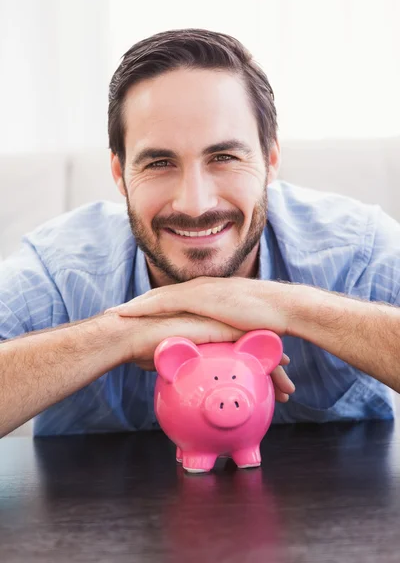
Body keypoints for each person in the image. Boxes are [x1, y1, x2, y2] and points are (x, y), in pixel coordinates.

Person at [1, 28, 399, 438]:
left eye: (224, 157)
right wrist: (119, 334)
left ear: (270, 160)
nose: (194, 204)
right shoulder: (58, 270)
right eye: (159, 163)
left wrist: (295, 308)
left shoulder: (358, 250)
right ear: (120, 174)